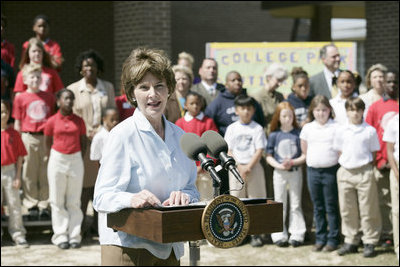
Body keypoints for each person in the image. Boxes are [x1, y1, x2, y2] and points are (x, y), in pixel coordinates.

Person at [93, 47, 199, 266]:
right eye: (144, 87)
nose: (153, 94)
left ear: (169, 89)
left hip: (170, 246)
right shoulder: (122, 135)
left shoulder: (181, 136)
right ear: (132, 93)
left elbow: (192, 188)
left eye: (159, 86)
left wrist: (186, 196)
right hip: (128, 247)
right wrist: (131, 199)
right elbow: (101, 197)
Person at [67, 49, 116, 238]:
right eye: (86, 65)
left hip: (105, 142)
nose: (89, 68)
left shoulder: (108, 88)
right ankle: (80, 227)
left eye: (93, 65)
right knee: (85, 187)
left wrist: (102, 130)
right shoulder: (73, 89)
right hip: (84, 142)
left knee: (102, 184)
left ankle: (99, 225)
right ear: (81, 69)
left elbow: (112, 112)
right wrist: (89, 130)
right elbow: (73, 116)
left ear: (99, 68)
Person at [333, 97, 381, 258]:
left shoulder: (369, 131)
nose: (355, 113)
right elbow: (339, 150)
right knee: (347, 209)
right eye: (351, 110)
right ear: (347, 112)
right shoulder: (341, 130)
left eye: (358, 110)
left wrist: (364, 166)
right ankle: (351, 239)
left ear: (362, 111)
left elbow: (373, 153)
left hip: (364, 171)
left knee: (368, 209)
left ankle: (370, 241)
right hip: (346, 171)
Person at [44, 88, 87, 250]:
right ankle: (61, 235)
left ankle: (74, 235)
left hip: (75, 159)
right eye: (66, 98)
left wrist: (76, 158)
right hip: (57, 159)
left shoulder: (79, 121)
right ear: (58, 101)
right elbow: (47, 142)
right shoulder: (51, 121)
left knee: (74, 200)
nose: (69, 101)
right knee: (57, 200)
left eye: (71, 98)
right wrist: (55, 158)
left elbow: (84, 142)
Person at [12, 63, 55, 221]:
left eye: (38, 76)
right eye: (32, 77)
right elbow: (17, 122)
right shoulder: (20, 97)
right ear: (25, 79)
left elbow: (52, 120)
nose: (35, 79)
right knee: (29, 171)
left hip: (45, 137)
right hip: (28, 137)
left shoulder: (49, 97)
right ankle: (31, 205)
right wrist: (17, 142)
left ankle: (44, 204)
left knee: (44, 170)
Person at [224, 95, 267, 247]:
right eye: (243, 108)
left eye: (249, 108)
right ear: (237, 110)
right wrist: (240, 166)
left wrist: (248, 167)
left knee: (256, 201)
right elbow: (228, 150)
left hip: (254, 168)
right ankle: (238, 234)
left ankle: (256, 234)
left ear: (253, 110)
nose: (246, 111)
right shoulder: (232, 128)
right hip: (236, 169)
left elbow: (260, 149)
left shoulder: (257, 128)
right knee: (237, 201)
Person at [300, 95, 340, 252]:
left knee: (331, 205)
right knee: (318, 206)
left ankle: (333, 239)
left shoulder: (336, 127)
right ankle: (320, 238)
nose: (321, 113)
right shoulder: (308, 128)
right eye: (317, 110)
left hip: (331, 171)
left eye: (324, 110)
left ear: (329, 110)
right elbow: (305, 150)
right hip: (313, 171)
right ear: (312, 111)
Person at [365, 69, 399, 248]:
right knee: (385, 201)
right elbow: (371, 134)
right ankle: (388, 234)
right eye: (389, 82)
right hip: (382, 163)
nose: (392, 85)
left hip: (397, 161)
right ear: (383, 84)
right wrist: (379, 160)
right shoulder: (376, 106)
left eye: (395, 82)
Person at [266, 101, 306, 248]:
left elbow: (304, 155)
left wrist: (293, 162)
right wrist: (279, 165)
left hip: (295, 172)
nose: (287, 118)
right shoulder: (274, 134)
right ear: (278, 117)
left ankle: (297, 233)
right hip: (279, 173)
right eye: (284, 116)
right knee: (279, 203)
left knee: (295, 203)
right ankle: (278, 234)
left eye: (290, 115)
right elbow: (269, 155)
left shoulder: (298, 133)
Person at [283, 67, 314, 242]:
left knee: (306, 195)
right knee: (290, 195)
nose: (304, 89)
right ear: (294, 87)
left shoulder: (312, 101)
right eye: (300, 86)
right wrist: (300, 124)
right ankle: (288, 227)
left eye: (306, 86)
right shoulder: (289, 102)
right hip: (291, 153)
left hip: (309, 153)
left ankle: (307, 228)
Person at [251, 63, 288, 200]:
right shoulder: (257, 96)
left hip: (278, 139)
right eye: (277, 80)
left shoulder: (280, 96)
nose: (279, 84)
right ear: (268, 77)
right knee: (266, 178)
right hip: (263, 139)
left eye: (281, 80)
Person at [175, 91, 218, 201]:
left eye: (197, 103)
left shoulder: (208, 122)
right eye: (192, 103)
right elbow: (177, 147)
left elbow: (213, 145)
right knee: (188, 201)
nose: (195, 106)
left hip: (205, 171)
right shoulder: (179, 123)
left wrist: (204, 165)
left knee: (207, 200)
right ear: (185, 105)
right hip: (186, 172)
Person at [89, 107, 119, 246]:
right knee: (103, 208)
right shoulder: (99, 137)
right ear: (104, 120)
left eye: (117, 119)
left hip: (117, 173)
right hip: (104, 174)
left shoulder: (119, 134)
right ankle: (103, 237)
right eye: (111, 119)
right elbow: (95, 159)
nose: (115, 122)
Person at [1, 99, 29, 248]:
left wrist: (18, 176)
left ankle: (18, 234)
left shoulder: (14, 133)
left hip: (10, 171)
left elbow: (20, 156)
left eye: (5, 111)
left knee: (14, 204)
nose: (2, 115)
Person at [205, 71, 264, 136]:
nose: (237, 82)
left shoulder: (250, 101)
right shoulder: (217, 103)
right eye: (233, 80)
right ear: (226, 85)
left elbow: (261, 121)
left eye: (239, 80)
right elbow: (209, 126)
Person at [383, 112, 399, 261]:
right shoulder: (394, 122)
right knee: (397, 210)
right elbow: (389, 150)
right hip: (397, 168)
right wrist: (395, 171)